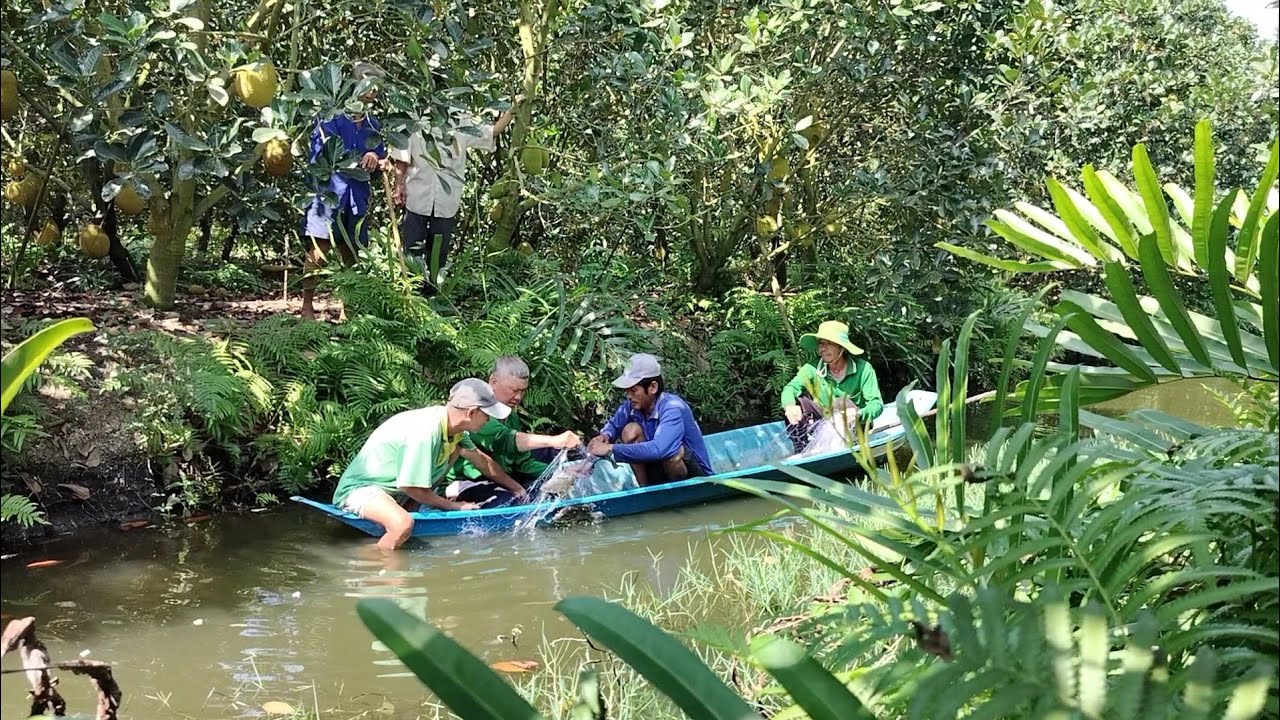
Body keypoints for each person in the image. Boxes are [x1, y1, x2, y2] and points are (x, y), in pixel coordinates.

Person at [332, 378, 521, 551]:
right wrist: (453, 506)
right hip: (361, 489)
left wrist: (517, 489)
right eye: (487, 415)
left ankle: (405, 513)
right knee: (402, 525)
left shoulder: (455, 431)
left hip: (396, 491)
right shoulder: (424, 432)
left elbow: (483, 462)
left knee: (455, 450)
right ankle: (366, 564)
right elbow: (411, 486)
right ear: (471, 413)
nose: (489, 420)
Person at [390, 92, 520, 295]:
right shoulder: (415, 117)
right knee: (411, 248)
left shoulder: (461, 119)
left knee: (438, 252)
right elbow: (402, 156)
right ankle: (410, 293)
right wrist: (399, 185)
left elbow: (491, 132)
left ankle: (432, 294)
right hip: (417, 195)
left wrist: (511, 110)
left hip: (446, 199)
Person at [300, 61, 388, 320]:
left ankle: (349, 310)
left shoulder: (373, 124)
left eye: (377, 87)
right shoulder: (330, 117)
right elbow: (321, 155)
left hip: (357, 196)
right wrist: (357, 159)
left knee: (353, 255)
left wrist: (376, 158)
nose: (372, 91)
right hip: (329, 195)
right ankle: (306, 307)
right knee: (319, 250)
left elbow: (380, 161)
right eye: (368, 85)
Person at [445, 356, 583, 501]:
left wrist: (560, 471)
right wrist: (554, 440)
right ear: (493, 382)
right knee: (512, 501)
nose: (518, 397)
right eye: (514, 390)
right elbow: (504, 439)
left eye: (522, 391)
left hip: (503, 476)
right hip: (470, 481)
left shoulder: (512, 417)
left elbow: (522, 462)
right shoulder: (477, 414)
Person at [587, 353, 713, 487]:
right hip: (660, 467)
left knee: (673, 452)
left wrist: (611, 448)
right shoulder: (633, 405)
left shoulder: (673, 408)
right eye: (627, 391)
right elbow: (614, 425)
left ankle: (680, 492)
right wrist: (605, 436)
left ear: (653, 387)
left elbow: (660, 449)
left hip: (693, 473)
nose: (629, 396)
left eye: (633, 390)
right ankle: (645, 489)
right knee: (631, 431)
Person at [780, 320, 884, 453]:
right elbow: (790, 388)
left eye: (829, 343)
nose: (823, 348)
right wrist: (789, 406)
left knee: (842, 402)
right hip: (824, 420)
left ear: (841, 347)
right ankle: (802, 449)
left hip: (855, 424)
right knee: (799, 404)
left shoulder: (863, 369)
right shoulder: (812, 368)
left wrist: (859, 414)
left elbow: (876, 404)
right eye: (821, 343)